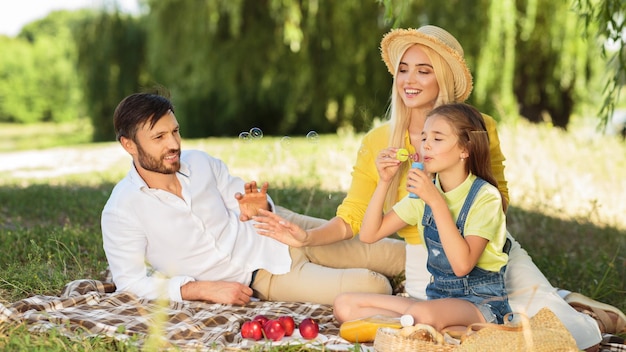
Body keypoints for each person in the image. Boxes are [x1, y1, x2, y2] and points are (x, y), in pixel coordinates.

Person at [253, 25, 619, 350]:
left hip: (488, 257)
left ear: (441, 79)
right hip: (429, 267)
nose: (409, 80)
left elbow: (497, 201)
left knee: (564, 332)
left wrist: (442, 201)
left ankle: (580, 312)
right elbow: (356, 220)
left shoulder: (477, 128)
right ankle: (474, 325)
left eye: (423, 70)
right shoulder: (381, 142)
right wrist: (306, 238)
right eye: (403, 69)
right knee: (396, 314)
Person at [101, 92, 393, 306]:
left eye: (175, 131)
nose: (174, 144)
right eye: (159, 137)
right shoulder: (121, 211)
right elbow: (130, 283)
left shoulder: (200, 162)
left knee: (396, 255)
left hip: (283, 227)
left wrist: (261, 207)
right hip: (264, 277)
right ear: (128, 144)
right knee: (376, 287)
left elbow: (244, 203)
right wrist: (201, 289)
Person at [333, 103, 511, 331]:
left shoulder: (486, 197)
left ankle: (425, 328)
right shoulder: (422, 194)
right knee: (345, 305)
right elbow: (369, 234)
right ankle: (425, 330)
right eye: (424, 138)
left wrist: (436, 201)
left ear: (465, 149)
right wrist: (385, 181)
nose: (426, 145)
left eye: (437, 139)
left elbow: (462, 266)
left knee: (420, 314)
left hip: (481, 305)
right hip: (436, 303)